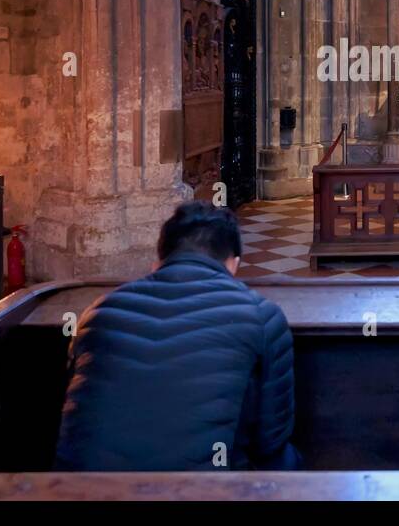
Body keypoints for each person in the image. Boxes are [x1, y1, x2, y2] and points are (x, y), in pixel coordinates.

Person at [53, 201, 298, 471]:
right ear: (234, 265)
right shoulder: (262, 315)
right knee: (286, 461)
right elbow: (271, 440)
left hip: (79, 490)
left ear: (157, 262)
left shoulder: (98, 311)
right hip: (200, 491)